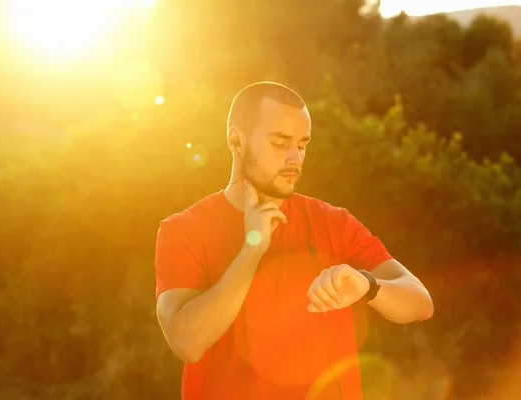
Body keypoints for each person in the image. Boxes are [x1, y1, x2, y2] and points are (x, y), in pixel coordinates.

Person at [154, 81, 434, 400]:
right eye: (279, 143)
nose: (294, 158)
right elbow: (187, 342)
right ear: (236, 140)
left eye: (302, 144)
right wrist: (252, 249)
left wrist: (367, 285)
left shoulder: (334, 222)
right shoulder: (184, 229)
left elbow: (420, 303)